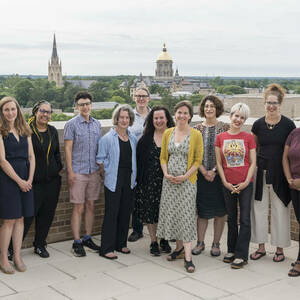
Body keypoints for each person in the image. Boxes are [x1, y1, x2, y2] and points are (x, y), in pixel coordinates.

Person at [250, 84, 296, 262]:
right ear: (264, 103)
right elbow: (253, 149)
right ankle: (260, 247)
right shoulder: (258, 124)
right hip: (260, 173)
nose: (271, 106)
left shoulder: (288, 125)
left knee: (280, 211)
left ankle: (279, 250)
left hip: (281, 175)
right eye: (268, 102)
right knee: (259, 211)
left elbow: (292, 152)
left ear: (280, 104)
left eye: (274, 103)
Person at [157, 100, 203, 273]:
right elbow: (163, 157)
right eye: (179, 112)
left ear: (190, 116)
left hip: (187, 182)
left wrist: (185, 175)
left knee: (186, 216)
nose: (182, 116)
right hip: (169, 182)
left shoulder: (196, 134)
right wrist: (166, 173)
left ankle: (188, 257)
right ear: (174, 115)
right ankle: (178, 248)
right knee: (174, 214)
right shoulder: (168, 132)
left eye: (185, 113)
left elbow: (198, 160)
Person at [215, 103, 256, 269]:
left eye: (242, 117)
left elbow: (253, 162)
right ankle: (231, 250)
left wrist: (246, 181)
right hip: (227, 183)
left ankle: (241, 255)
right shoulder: (221, 137)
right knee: (231, 219)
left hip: (246, 183)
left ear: (244, 120)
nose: (238, 119)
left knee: (244, 219)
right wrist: (225, 182)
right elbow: (219, 163)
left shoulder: (248, 138)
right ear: (230, 116)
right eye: (236, 116)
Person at [64, 91, 102, 257]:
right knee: (78, 207)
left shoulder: (97, 124)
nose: (85, 107)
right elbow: (68, 149)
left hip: (93, 171)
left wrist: (101, 169)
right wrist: (70, 172)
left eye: (87, 104)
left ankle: (87, 237)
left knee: (91, 205)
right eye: (81, 104)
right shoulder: (71, 124)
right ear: (76, 107)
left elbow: (98, 148)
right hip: (78, 172)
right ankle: (77, 241)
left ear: (91, 105)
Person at [97, 105, 137, 259]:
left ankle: (121, 244)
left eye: (127, 117)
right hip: (113, 179)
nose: (124, 120)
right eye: (121, 117)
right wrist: (106, 172)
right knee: (111, 214)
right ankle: (106, 248)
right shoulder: (107, 138)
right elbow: (100, 159)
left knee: (125, 213)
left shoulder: (132, 138)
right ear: (117, 119)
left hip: (129, 179)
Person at [0, 96, 35, 274]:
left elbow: (31, 156)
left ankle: (17, 256)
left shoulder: (23, 128)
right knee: (9, 220)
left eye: (13, 109)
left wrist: (29, 179)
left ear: (17, 110)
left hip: (25, 177)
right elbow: (3, 161)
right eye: (6, 110)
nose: (10, 113)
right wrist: (20, 181)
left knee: (21, 219)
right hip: (8, 179)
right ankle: (4, 259)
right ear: (2, 112)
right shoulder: (0, 131)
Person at [135, 106, 175, 256]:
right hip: (149, 183)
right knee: (150, 212)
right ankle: (153, 241)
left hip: (169, 182)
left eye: (161, 118)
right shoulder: (145, 140)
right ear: (152, 121)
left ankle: (164, 239)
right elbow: (139, 162)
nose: (158, 121)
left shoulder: (174, 136)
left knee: (165, 212)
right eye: (155, 118)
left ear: (167, 119)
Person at [192, 95, 229, 257]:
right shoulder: (196, 129)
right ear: (202, 108)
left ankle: (216, 244)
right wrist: (203, 171)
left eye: (212, 106)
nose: (209, 109)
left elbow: (226, 152)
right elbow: (193, 154)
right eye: (206, 106)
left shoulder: (225, 128)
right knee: (202, 211)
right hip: (201, 175)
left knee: (220, 212)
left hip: (219, 175)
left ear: (217, 108)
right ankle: (200, 243)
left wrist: (213, 170)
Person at [128, 87, 151, 242]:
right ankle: (137, 229)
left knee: (154, 195)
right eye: (138, 96)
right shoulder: (129, 115)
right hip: (134, 160)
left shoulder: (155, 115)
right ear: (134, 97)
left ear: (148, 98)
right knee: (136, 196)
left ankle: (160, 229)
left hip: (153, 160)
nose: (141, 98)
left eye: (144, 96)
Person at [282, 128, 300, 277]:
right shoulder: (295, 133)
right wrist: (290, 180)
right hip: (294, 185)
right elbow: (285, 158)